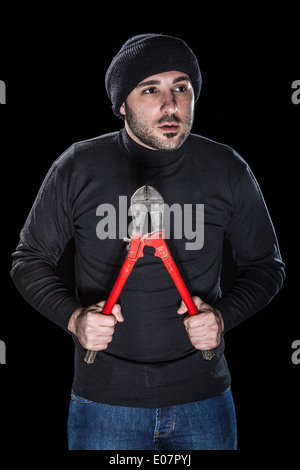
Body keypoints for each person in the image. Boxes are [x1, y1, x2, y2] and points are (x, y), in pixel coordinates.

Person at [10, 34, 285, 450]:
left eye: (181, 87)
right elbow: (28, 260)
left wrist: (223, 318)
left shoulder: (226, 168)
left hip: (204, 399)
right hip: (104, 404)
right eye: (150, 89)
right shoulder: (78, 166)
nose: (170, 105)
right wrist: (75, 320)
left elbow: (267, 267)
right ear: (122, 104)